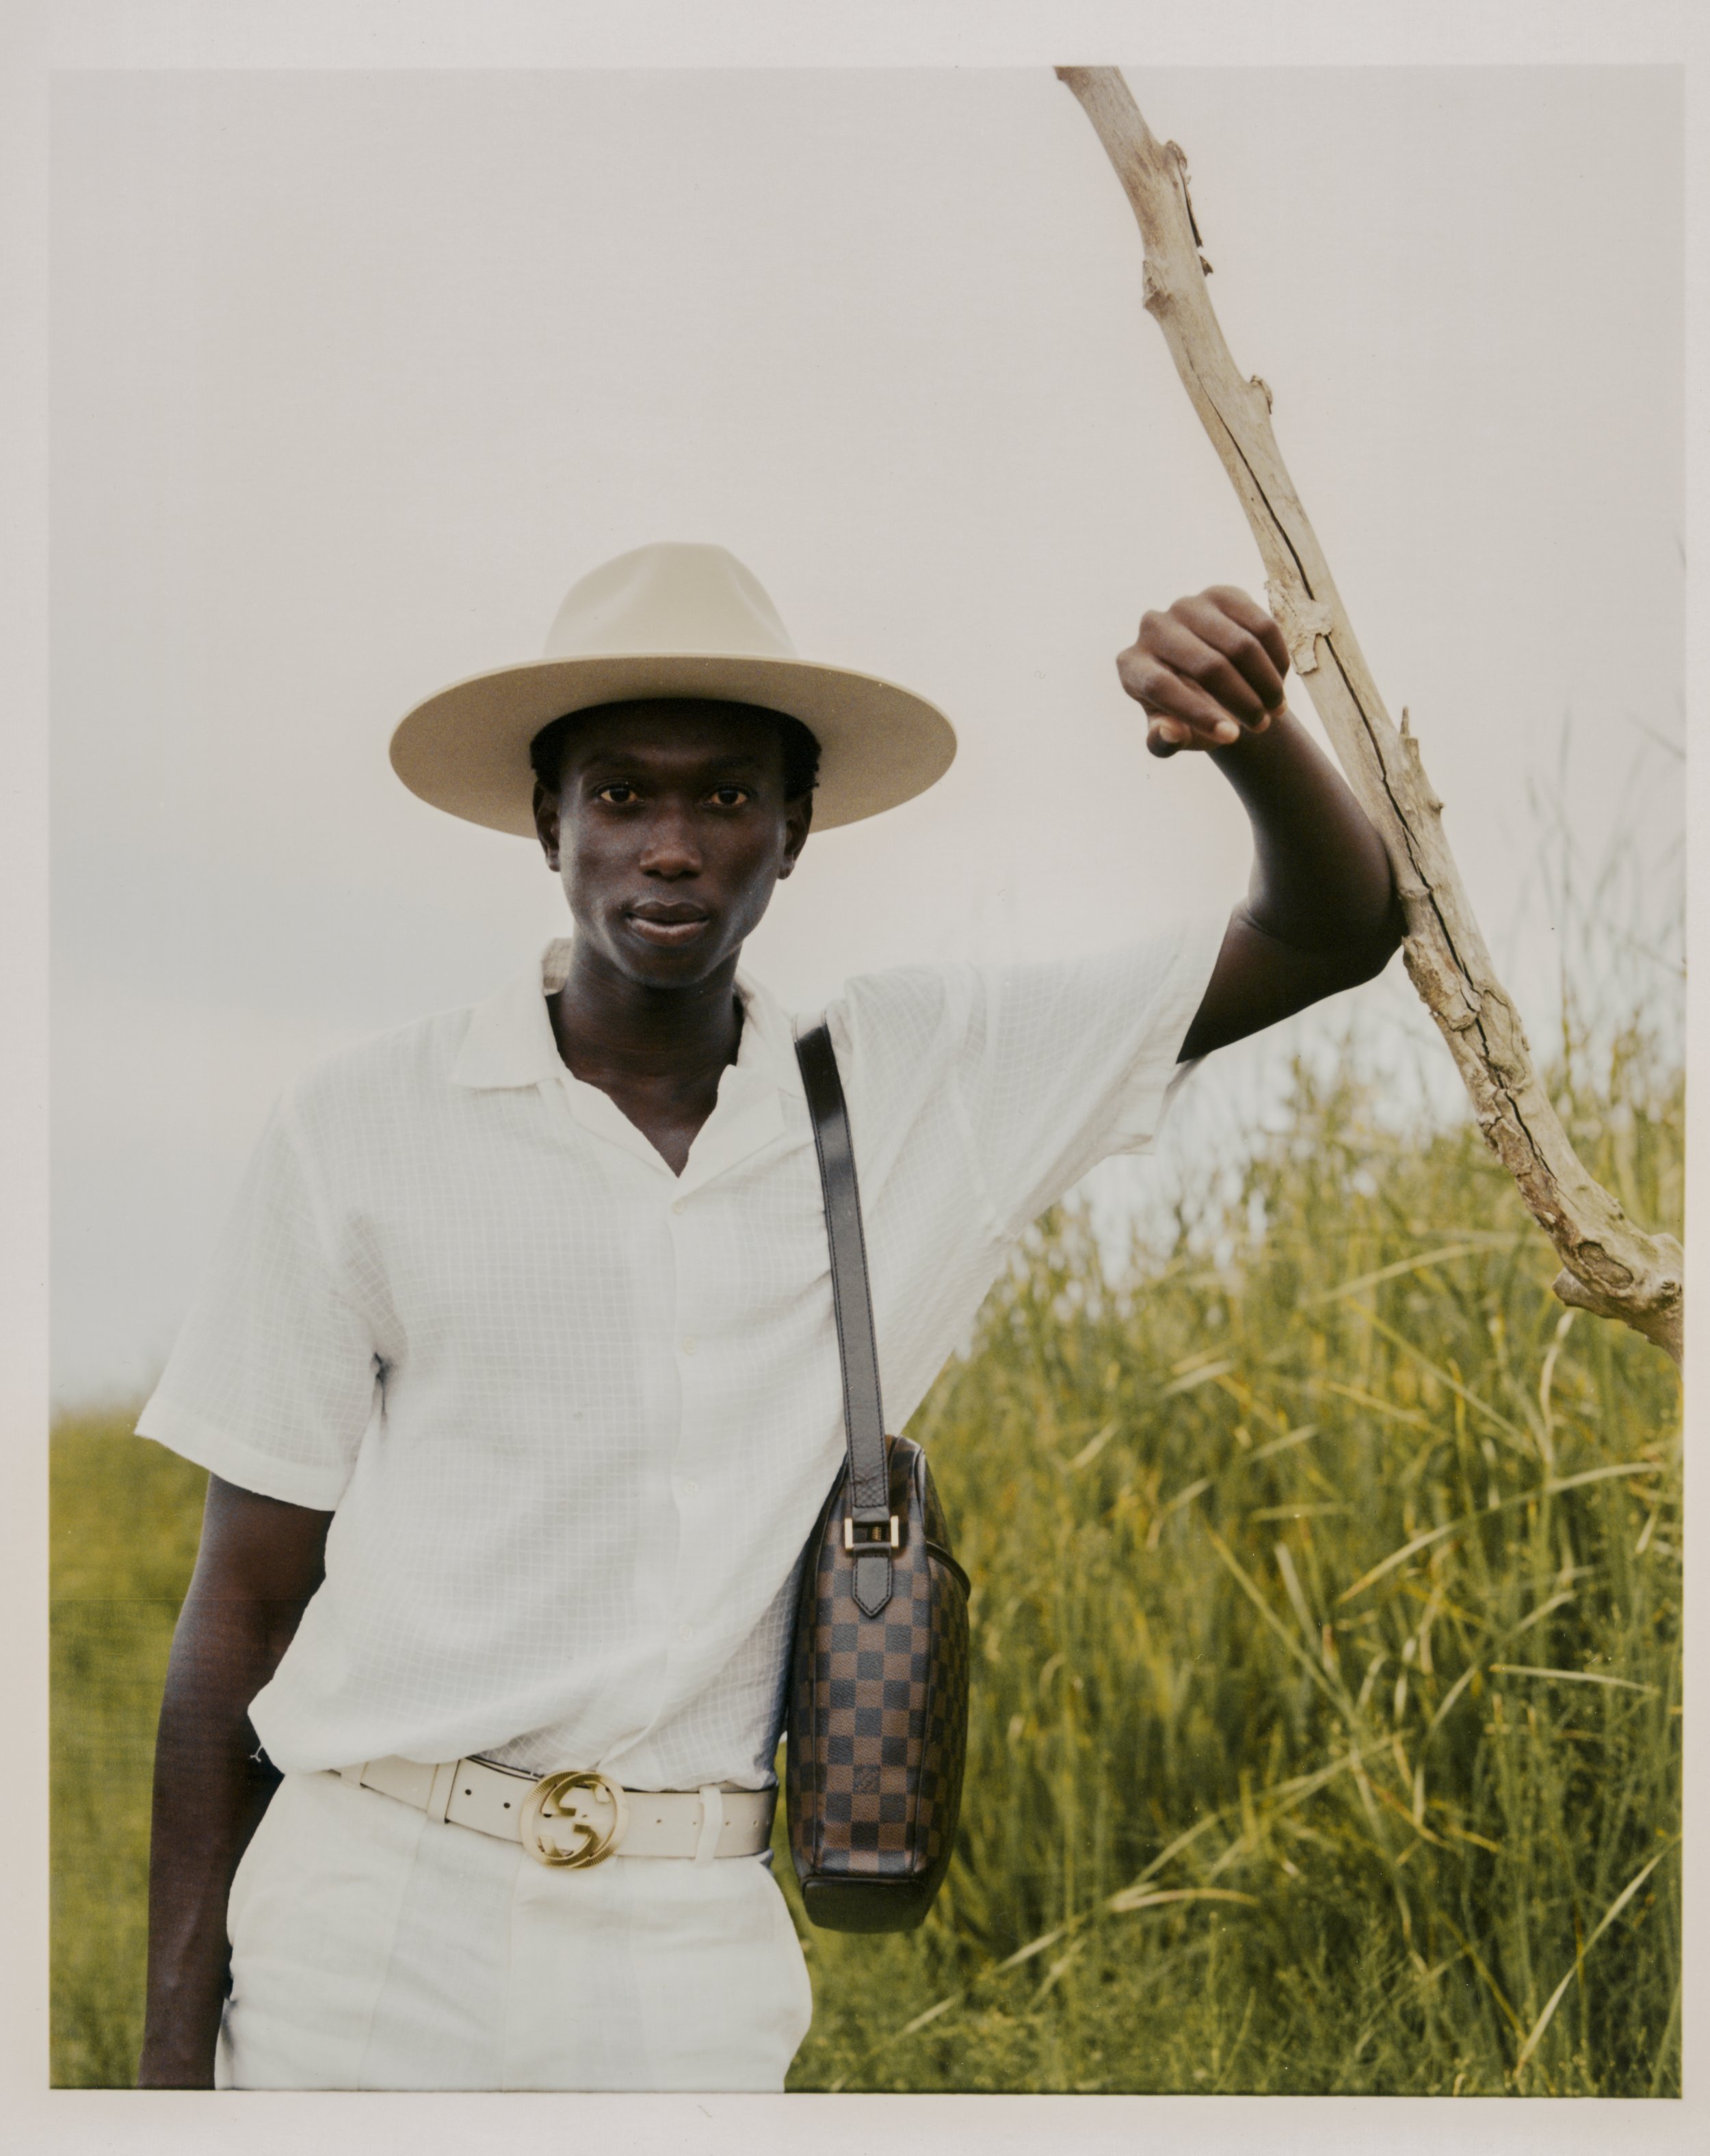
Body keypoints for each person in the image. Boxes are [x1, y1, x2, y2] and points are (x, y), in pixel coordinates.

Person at [135, 540, 1401, 2092]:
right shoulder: (361, 1125)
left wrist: (1253, 734)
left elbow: (1330, 932)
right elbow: (236, 1622)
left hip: (689, 1950)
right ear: (549, 822)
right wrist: (162, 2083)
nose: (670, 844)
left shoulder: (923, 1082)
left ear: (794, 832)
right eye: (620, 796)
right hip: (374, 1911)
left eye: (726, 798)